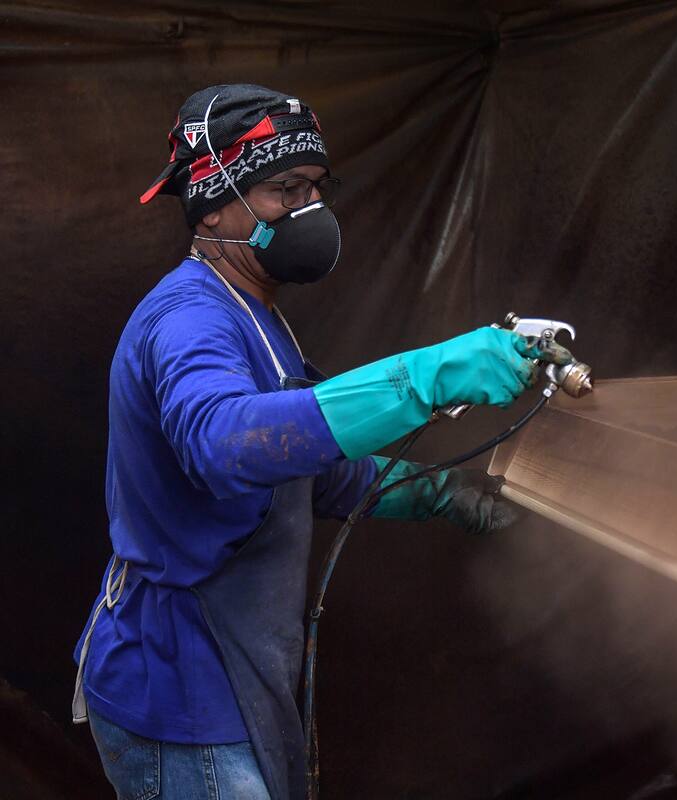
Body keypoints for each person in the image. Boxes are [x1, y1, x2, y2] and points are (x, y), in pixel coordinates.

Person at [72, 84, 566, 800]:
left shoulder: (255, 314)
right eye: (284, 190)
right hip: (179, 686)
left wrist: (439, 493)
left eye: (314, 188)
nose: (309, 209)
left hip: (232, 673)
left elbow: (311, 472)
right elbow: (225, 444)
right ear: (214, 205)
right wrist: (425, 378)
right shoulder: (189, 319)